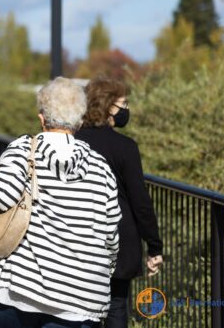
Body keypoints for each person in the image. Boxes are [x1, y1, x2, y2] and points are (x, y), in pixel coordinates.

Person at [0, 77, 122, 328]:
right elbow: (111, 232)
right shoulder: (100, 167)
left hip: (19, 290)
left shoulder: (24, 150)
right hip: (80, 298)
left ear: (41, 118)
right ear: (79, 121)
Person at [76, 77, 163, 328]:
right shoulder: (125, 147)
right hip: (119, 240)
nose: (127, 110)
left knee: (79, 308)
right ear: (109, 107)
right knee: (116, 306)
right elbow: (140, 202)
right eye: (124, 104)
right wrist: (154, 246)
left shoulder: (73, 141)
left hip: (79, 238)